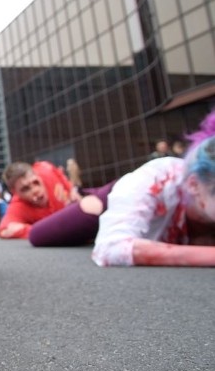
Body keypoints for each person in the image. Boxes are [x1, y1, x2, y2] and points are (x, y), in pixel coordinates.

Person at [23, 110, 215, 266]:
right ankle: (89, 200)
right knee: (40, 235)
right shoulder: (158, 179)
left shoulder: (204, 198)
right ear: (194, 185)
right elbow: (112, 249)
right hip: (115, 199)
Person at [0, 160, 80, 239]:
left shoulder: (46, 169)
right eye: (25, 189)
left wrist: (71, 189)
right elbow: (5, 229)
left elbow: (60, 175)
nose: (35, 190)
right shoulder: (18, 206)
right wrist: (42, 231)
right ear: (15, 192)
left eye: (36, 182)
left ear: (37, 175)